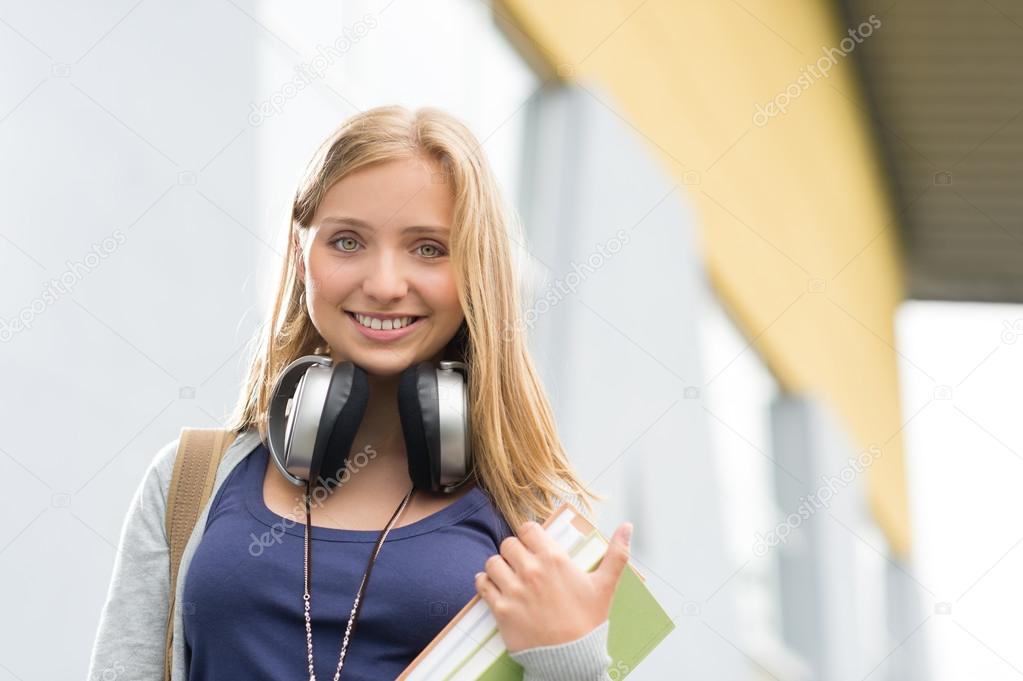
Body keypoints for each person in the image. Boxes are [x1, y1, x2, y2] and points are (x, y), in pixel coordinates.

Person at [87, 105, 633, 681]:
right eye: (347, 242)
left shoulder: (531, 522)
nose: (383, 285)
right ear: (301, 257)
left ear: (478, 269)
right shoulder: (189, 481)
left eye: (428, 248)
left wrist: (571, 664)